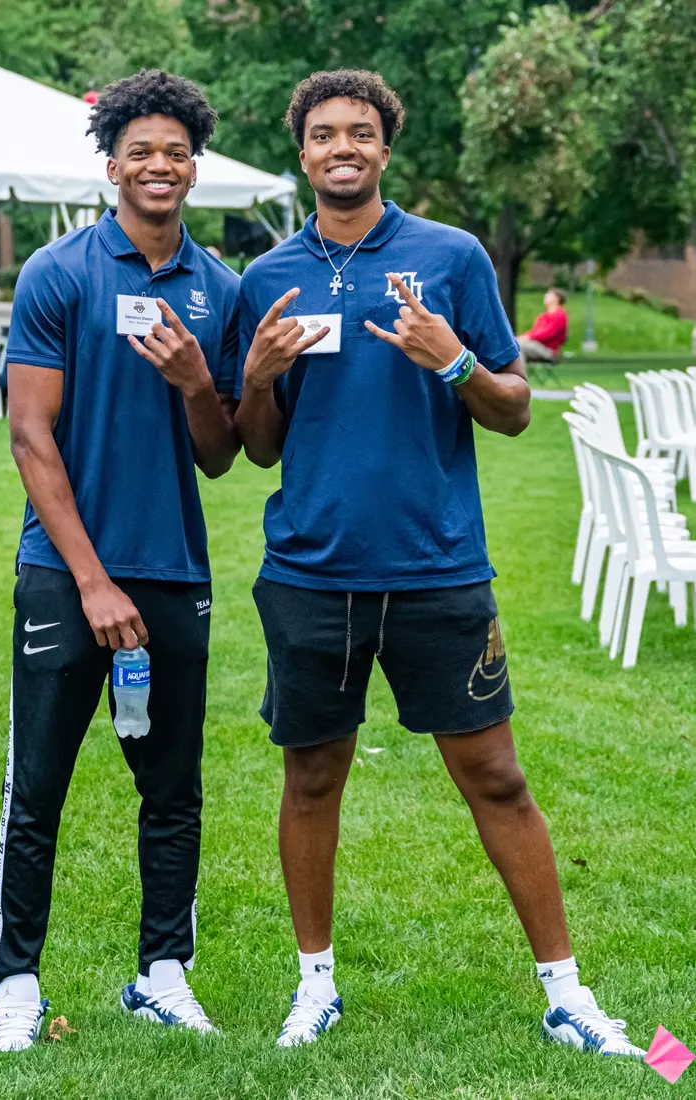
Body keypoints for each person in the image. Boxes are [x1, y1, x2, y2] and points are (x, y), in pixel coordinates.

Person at [236, 69, 643, 1057]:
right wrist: (255, 377)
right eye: (324, 133)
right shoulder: (265, 277)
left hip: (438, 567)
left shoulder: (450, 257)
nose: (342, 146)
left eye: (360, 132)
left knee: (496, 775)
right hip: (311, 573)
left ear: (385, 148)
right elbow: (258, 447)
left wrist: (451, 357)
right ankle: (314, 985)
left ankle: (567, 995)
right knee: (311, 777)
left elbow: (514, 408)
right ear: (302, 152)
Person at [0, 69, 241, 1052]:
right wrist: (92, 581)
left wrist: (196, 383)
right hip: (65, 573)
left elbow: (219, 454)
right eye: (142, 151)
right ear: (112, 165)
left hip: (173, 572)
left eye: (176, 151)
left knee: (172, 790)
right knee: (37, 792)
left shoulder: (219, 290)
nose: (159, 165)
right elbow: (29, 437)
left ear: (193, 167)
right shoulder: (59, 273)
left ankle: (162, 973)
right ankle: (15, 983)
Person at [518, 288, 568, 364]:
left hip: (549, 351)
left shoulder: (560, 314)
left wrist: (528, 337)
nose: (545, 296)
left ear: (557, 298)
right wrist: (520, 338)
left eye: (549, 295)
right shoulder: (542, 317)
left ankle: (519, 371)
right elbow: (534, 332)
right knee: (514, 345)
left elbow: (549, 333)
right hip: (536, 346)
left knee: (518, 347)